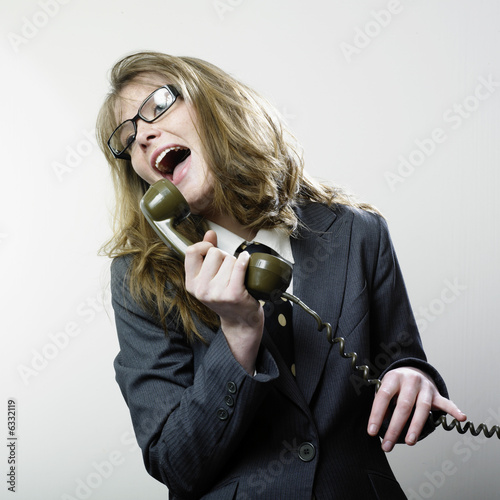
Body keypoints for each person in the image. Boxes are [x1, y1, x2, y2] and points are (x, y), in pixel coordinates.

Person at [96, 51, 466, 499]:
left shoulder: (357, 233)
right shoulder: (140, 280)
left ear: (219, 106)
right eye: (127, 138)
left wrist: (414, 379)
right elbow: (176, 464)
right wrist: (236, 335)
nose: (144, 136)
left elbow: (401, 376)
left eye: (158, 105)